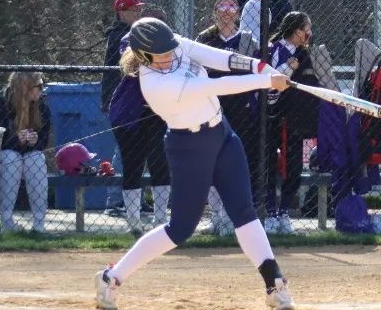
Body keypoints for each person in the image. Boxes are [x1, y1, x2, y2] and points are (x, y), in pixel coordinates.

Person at [93, 17, 295, 310]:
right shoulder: (157, 85)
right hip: (189, 147)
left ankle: (274, 283)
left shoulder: (173, 45)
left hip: (222, 134)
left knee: (244, 210)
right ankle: (111, 277)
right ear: (143, 56)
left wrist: (260, 66)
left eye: (169, 48)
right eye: (161, 53)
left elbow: (219, 58)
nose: (169, 54)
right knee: (180, 229)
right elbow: (215, 85)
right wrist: (267, 81)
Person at [195, 0, 262, 236]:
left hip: (241, 106)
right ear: (214, 11)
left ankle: (234, 219)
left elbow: (254, 71)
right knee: (211, 162)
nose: (226, 11)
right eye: (221, 6)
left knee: (235, 162)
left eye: (232, 7)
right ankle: (217, 217)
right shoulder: (205, 39)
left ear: (238, 13)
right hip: (212, 105)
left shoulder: (247, 40)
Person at [106, 31, 171, 233]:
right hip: (128, 115)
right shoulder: (129, 38)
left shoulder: (169, 42)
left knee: (159, 162)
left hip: (156, 115)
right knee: (132, 165)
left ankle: (160, 220)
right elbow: (132, 63)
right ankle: (134, 223)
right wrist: (158, 56)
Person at [264, 11, 318, 235]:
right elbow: (270, 86)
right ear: (296, 31)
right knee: (268, 165)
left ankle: (284, 212)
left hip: (296, 120)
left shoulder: (306, 54)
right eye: (306, 28)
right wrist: (288, 68)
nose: (309, 33)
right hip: (272, 117)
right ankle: (270, 213)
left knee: (294, 168)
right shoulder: (274, 49)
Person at [0, 72, 53, 232]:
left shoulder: (41, 106)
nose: (42, 90)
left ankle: (39, 224)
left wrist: (35, 141)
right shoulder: (0, 102)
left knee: (37, 158)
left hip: (27, 152)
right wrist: (14, 139)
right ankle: (6, 221)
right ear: (24, 87)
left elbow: (44, 140)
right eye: (38, 86)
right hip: (1, 152)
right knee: (11, 158)